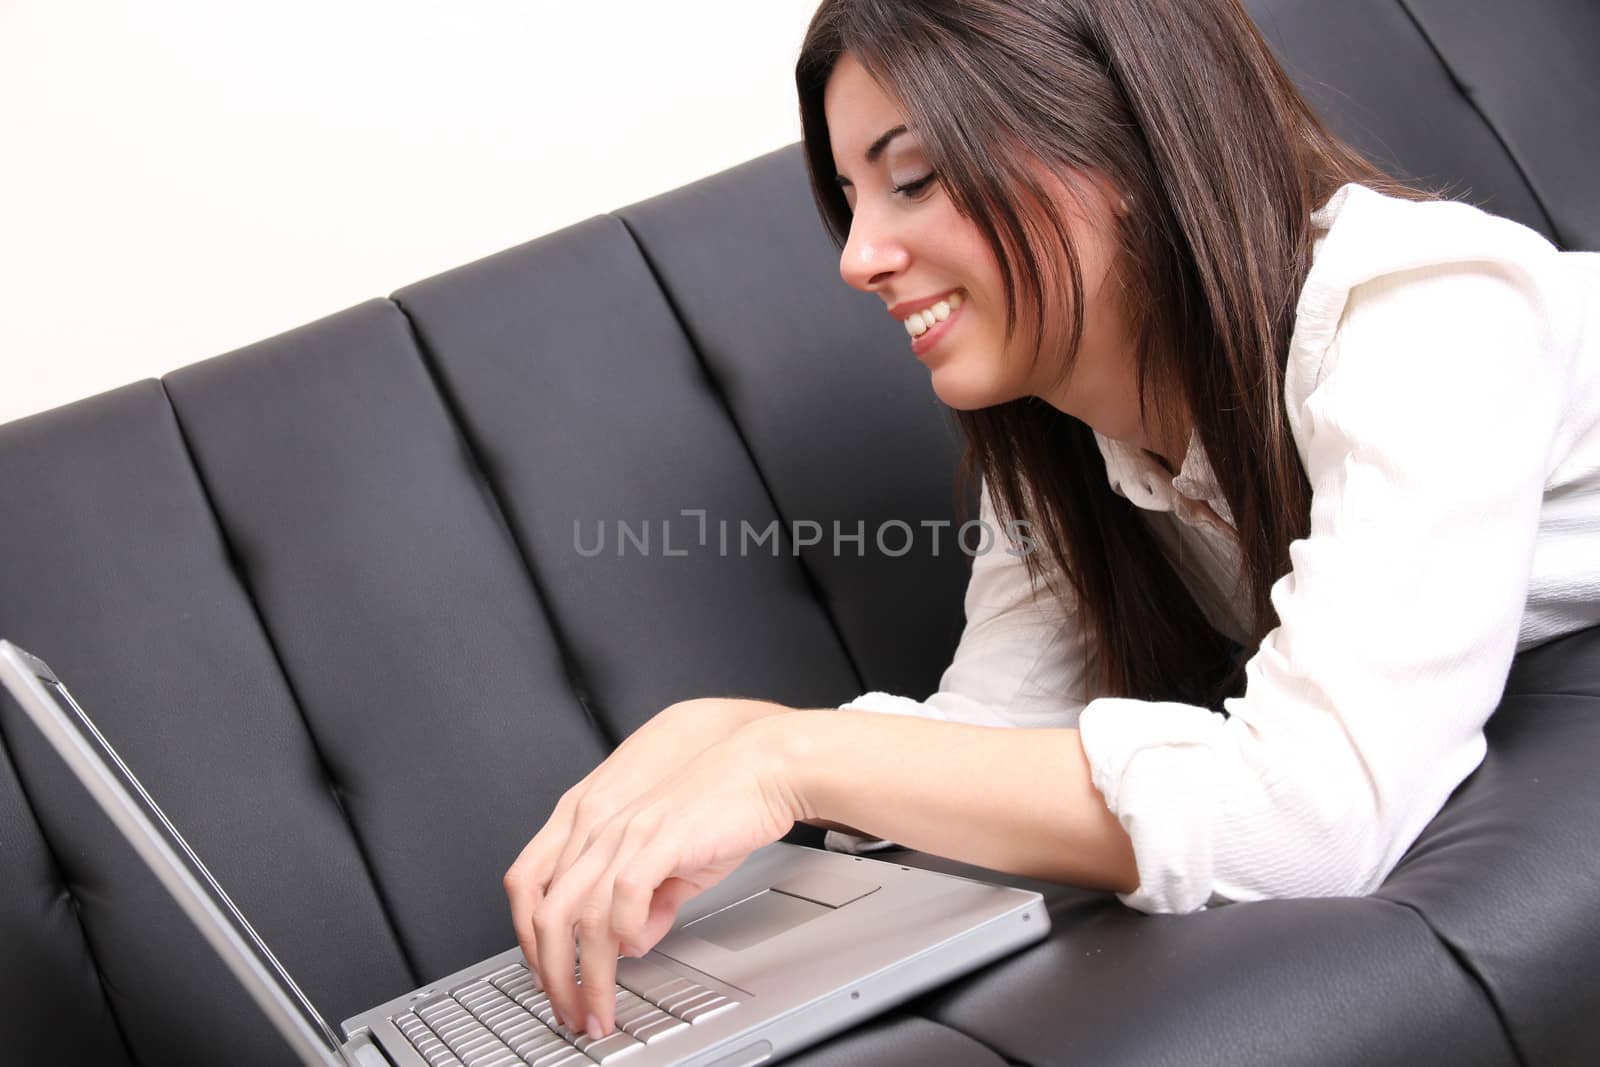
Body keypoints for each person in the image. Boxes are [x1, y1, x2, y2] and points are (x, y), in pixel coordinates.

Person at [503, 0, 1600, 1042]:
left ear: (1116, 144)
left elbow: (1314, 814)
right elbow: (997, 734)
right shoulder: (1060, 452)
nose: (856, 258)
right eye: (852, 199)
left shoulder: (1426, 312)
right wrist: (730, 733)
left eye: (915, 179)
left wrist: (792, 757)